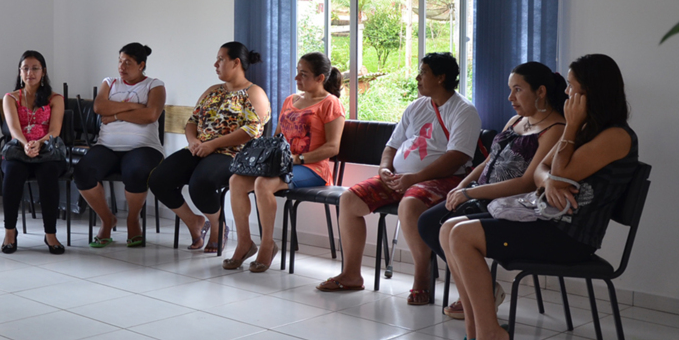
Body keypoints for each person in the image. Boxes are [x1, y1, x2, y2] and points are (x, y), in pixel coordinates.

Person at [441, 54, 637, 340]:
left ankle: (492, 336)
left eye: (572, 90)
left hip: (570, 237)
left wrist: (569, 132)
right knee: (449, 227)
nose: (567, 96)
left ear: (593, 92)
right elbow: (544, 172)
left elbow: (562, 169)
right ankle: (479, 331)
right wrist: (548, 178)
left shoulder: (615, 136)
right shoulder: (587, 129)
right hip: (547, 221)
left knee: (461, 234)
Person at [317, 52, 481, 301]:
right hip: (401, 177)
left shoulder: (463, 110)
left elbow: (457, 157)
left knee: (410, 203)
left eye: (423, 72)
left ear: (441, 77)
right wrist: (385, 168)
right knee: (349, 199)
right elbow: (391, 146)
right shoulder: (416, 106)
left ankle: (422, 278)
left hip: (445, 178)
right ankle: (351, 274)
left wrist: (414, 178)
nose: (417, 77)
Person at [418, 62, 567, 320]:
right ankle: (482, 288)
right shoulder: (516, 120)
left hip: (506, 203)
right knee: (428, 223)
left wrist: (472, 194)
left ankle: (479, 295)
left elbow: (528, 182)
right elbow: (489, 161)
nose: (510, 98)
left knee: (444, 225)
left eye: (518, 90)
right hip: (480, 194)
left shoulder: (555, 130)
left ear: (540, 91)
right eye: (510, 90)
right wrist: (462, 185)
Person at [224, 52, 344, 272]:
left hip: (312, 168)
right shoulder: (291, 100)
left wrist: (299, 158)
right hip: (280, 165)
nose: (297, 78)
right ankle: (244, 243)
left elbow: (332, 147)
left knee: (263, 183)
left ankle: (267, 245)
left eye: (304, 74)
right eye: (297, 72)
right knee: (236, 181)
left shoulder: (331, 104)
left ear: (320, 78)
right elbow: (278, 137)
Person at [148, 42, 270, 254]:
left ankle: (217, 226)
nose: (215, 64)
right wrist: (193, 141)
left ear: (236, 62)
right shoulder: (212, 91)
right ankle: (195, 222)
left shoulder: (254, 93)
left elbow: (252, 130)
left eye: (221, 59)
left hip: (232, 153)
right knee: (159, 179)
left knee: (201, 183)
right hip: (200, 149)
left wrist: (212, 144)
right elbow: (192, 121)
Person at [73, 43, 166, 247]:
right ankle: (107, 219)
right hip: (107, 147)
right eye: (120, 61)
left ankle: (133, 220)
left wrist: (114, 114)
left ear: (141, 65)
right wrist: (134, 106)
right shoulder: (110, 82)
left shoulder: (155, 85)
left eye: (128, 63)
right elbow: (99, 106)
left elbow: (150, 115)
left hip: (144, 148)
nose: (121, 67)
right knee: (82, 172)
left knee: (136, 172)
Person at [0, 51, 67, 255]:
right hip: (18, 151)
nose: (30, 72)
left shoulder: (55, 98)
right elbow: (13, 130)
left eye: (35, 68)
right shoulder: (10, 97)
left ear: (43, 72)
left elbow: (55, 131)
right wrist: (26, 144)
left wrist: (38, 143)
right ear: (20, 72)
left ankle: (50, 234)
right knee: (12, 173)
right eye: (25, 68)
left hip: (47, 150)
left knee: (48, 174)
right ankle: (10, 232)